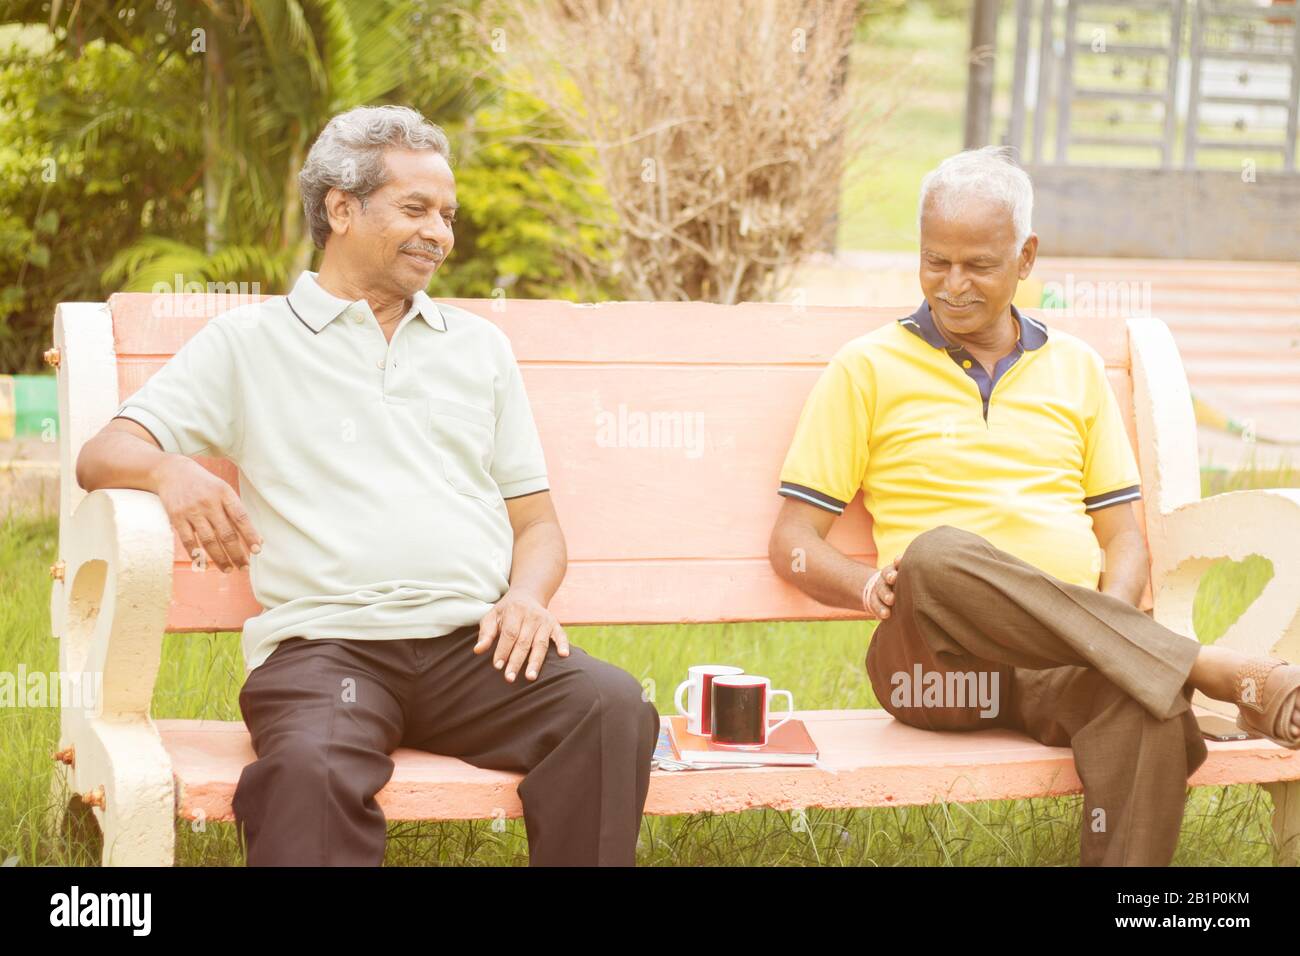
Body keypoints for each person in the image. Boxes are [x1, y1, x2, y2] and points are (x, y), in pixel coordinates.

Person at [76, 105, 661, 867]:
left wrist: (526, 598)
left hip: (473, 650)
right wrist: (170, 470)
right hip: (328, 652)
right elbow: (101, 453)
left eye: (447, 214)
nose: (440, 233)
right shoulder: (249, 343)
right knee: (309, 771)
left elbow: (539, 526)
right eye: (415, 209)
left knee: (611, 707)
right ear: (341, 209)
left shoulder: (479, 348)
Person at [767, 145, 1300, 866]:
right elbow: (793, 540)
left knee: (1147, 708)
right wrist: (866, 585)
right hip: (936, 667)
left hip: (1060, 664)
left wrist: (1106, 641)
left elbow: (1124, 539)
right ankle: (1218, 669)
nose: (951, 286)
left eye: (977, 265)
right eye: (935, 262)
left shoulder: (1075, 369)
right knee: (936, 553)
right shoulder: (866, 367)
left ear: (1026, 258)